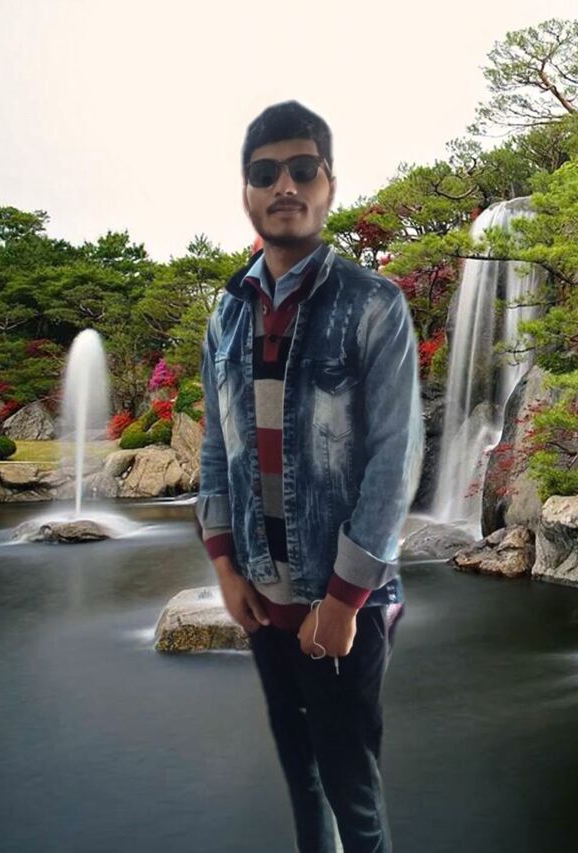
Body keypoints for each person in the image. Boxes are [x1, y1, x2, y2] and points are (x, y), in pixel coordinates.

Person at [195, 100, 425, 853]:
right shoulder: (227, 316)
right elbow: (218, 451)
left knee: (353, 793)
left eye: (302, 169)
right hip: (264, 601)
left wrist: (344, 598)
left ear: (329, 184)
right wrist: (224, 565)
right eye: (265, 173)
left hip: (343, 606)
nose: (284, 185)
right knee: (302, 780)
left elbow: (395, 459)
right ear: (246, 191)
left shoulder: (372, 304)